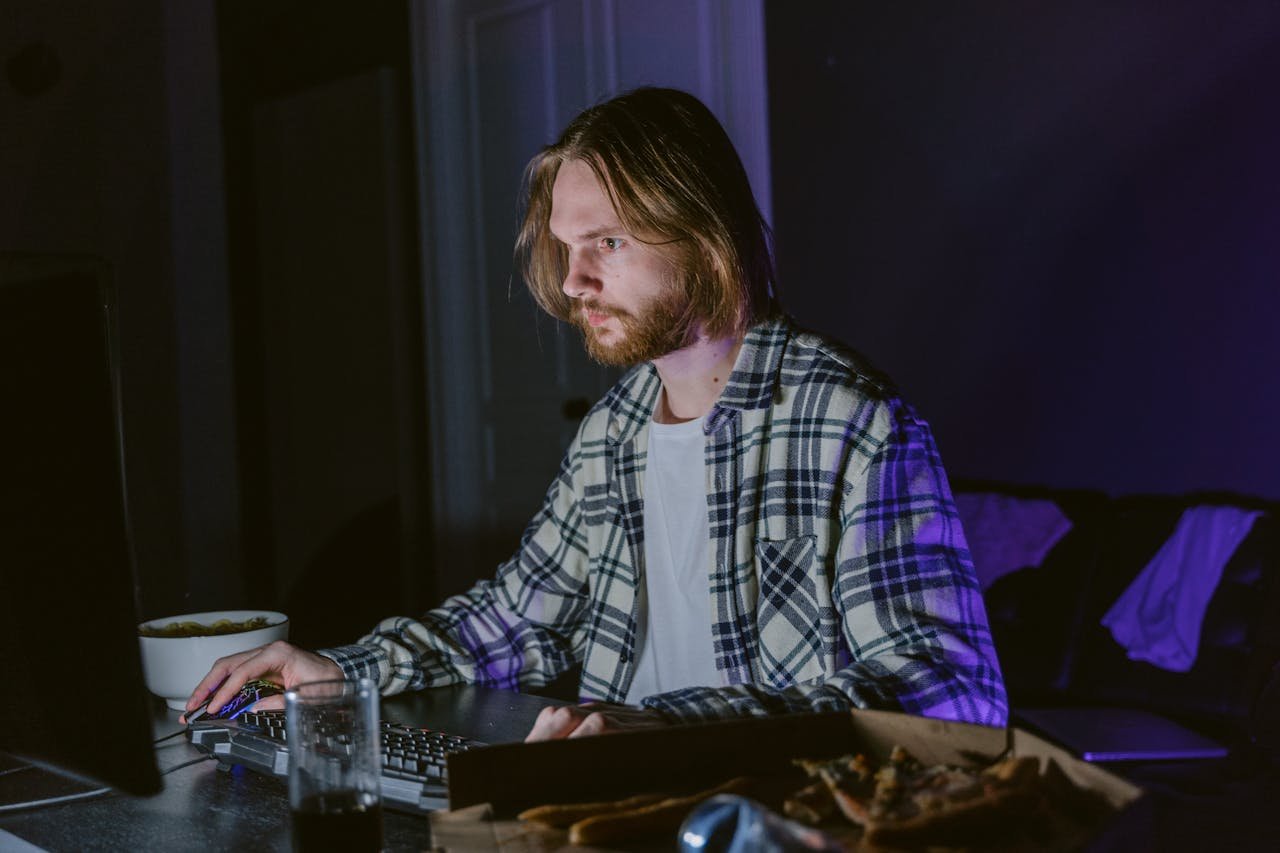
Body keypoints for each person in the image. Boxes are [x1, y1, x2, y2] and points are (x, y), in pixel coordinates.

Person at [185, 87, 1007, 739]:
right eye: (566, 247)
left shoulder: (850, 421)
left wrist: (668, 725)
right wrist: (339, 667)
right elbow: (515, 618)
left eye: (606, 243)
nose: (574, 283)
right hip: (614, 813)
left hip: (772, 823)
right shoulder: (611, 433)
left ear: (703, 233)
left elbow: (947, 691)